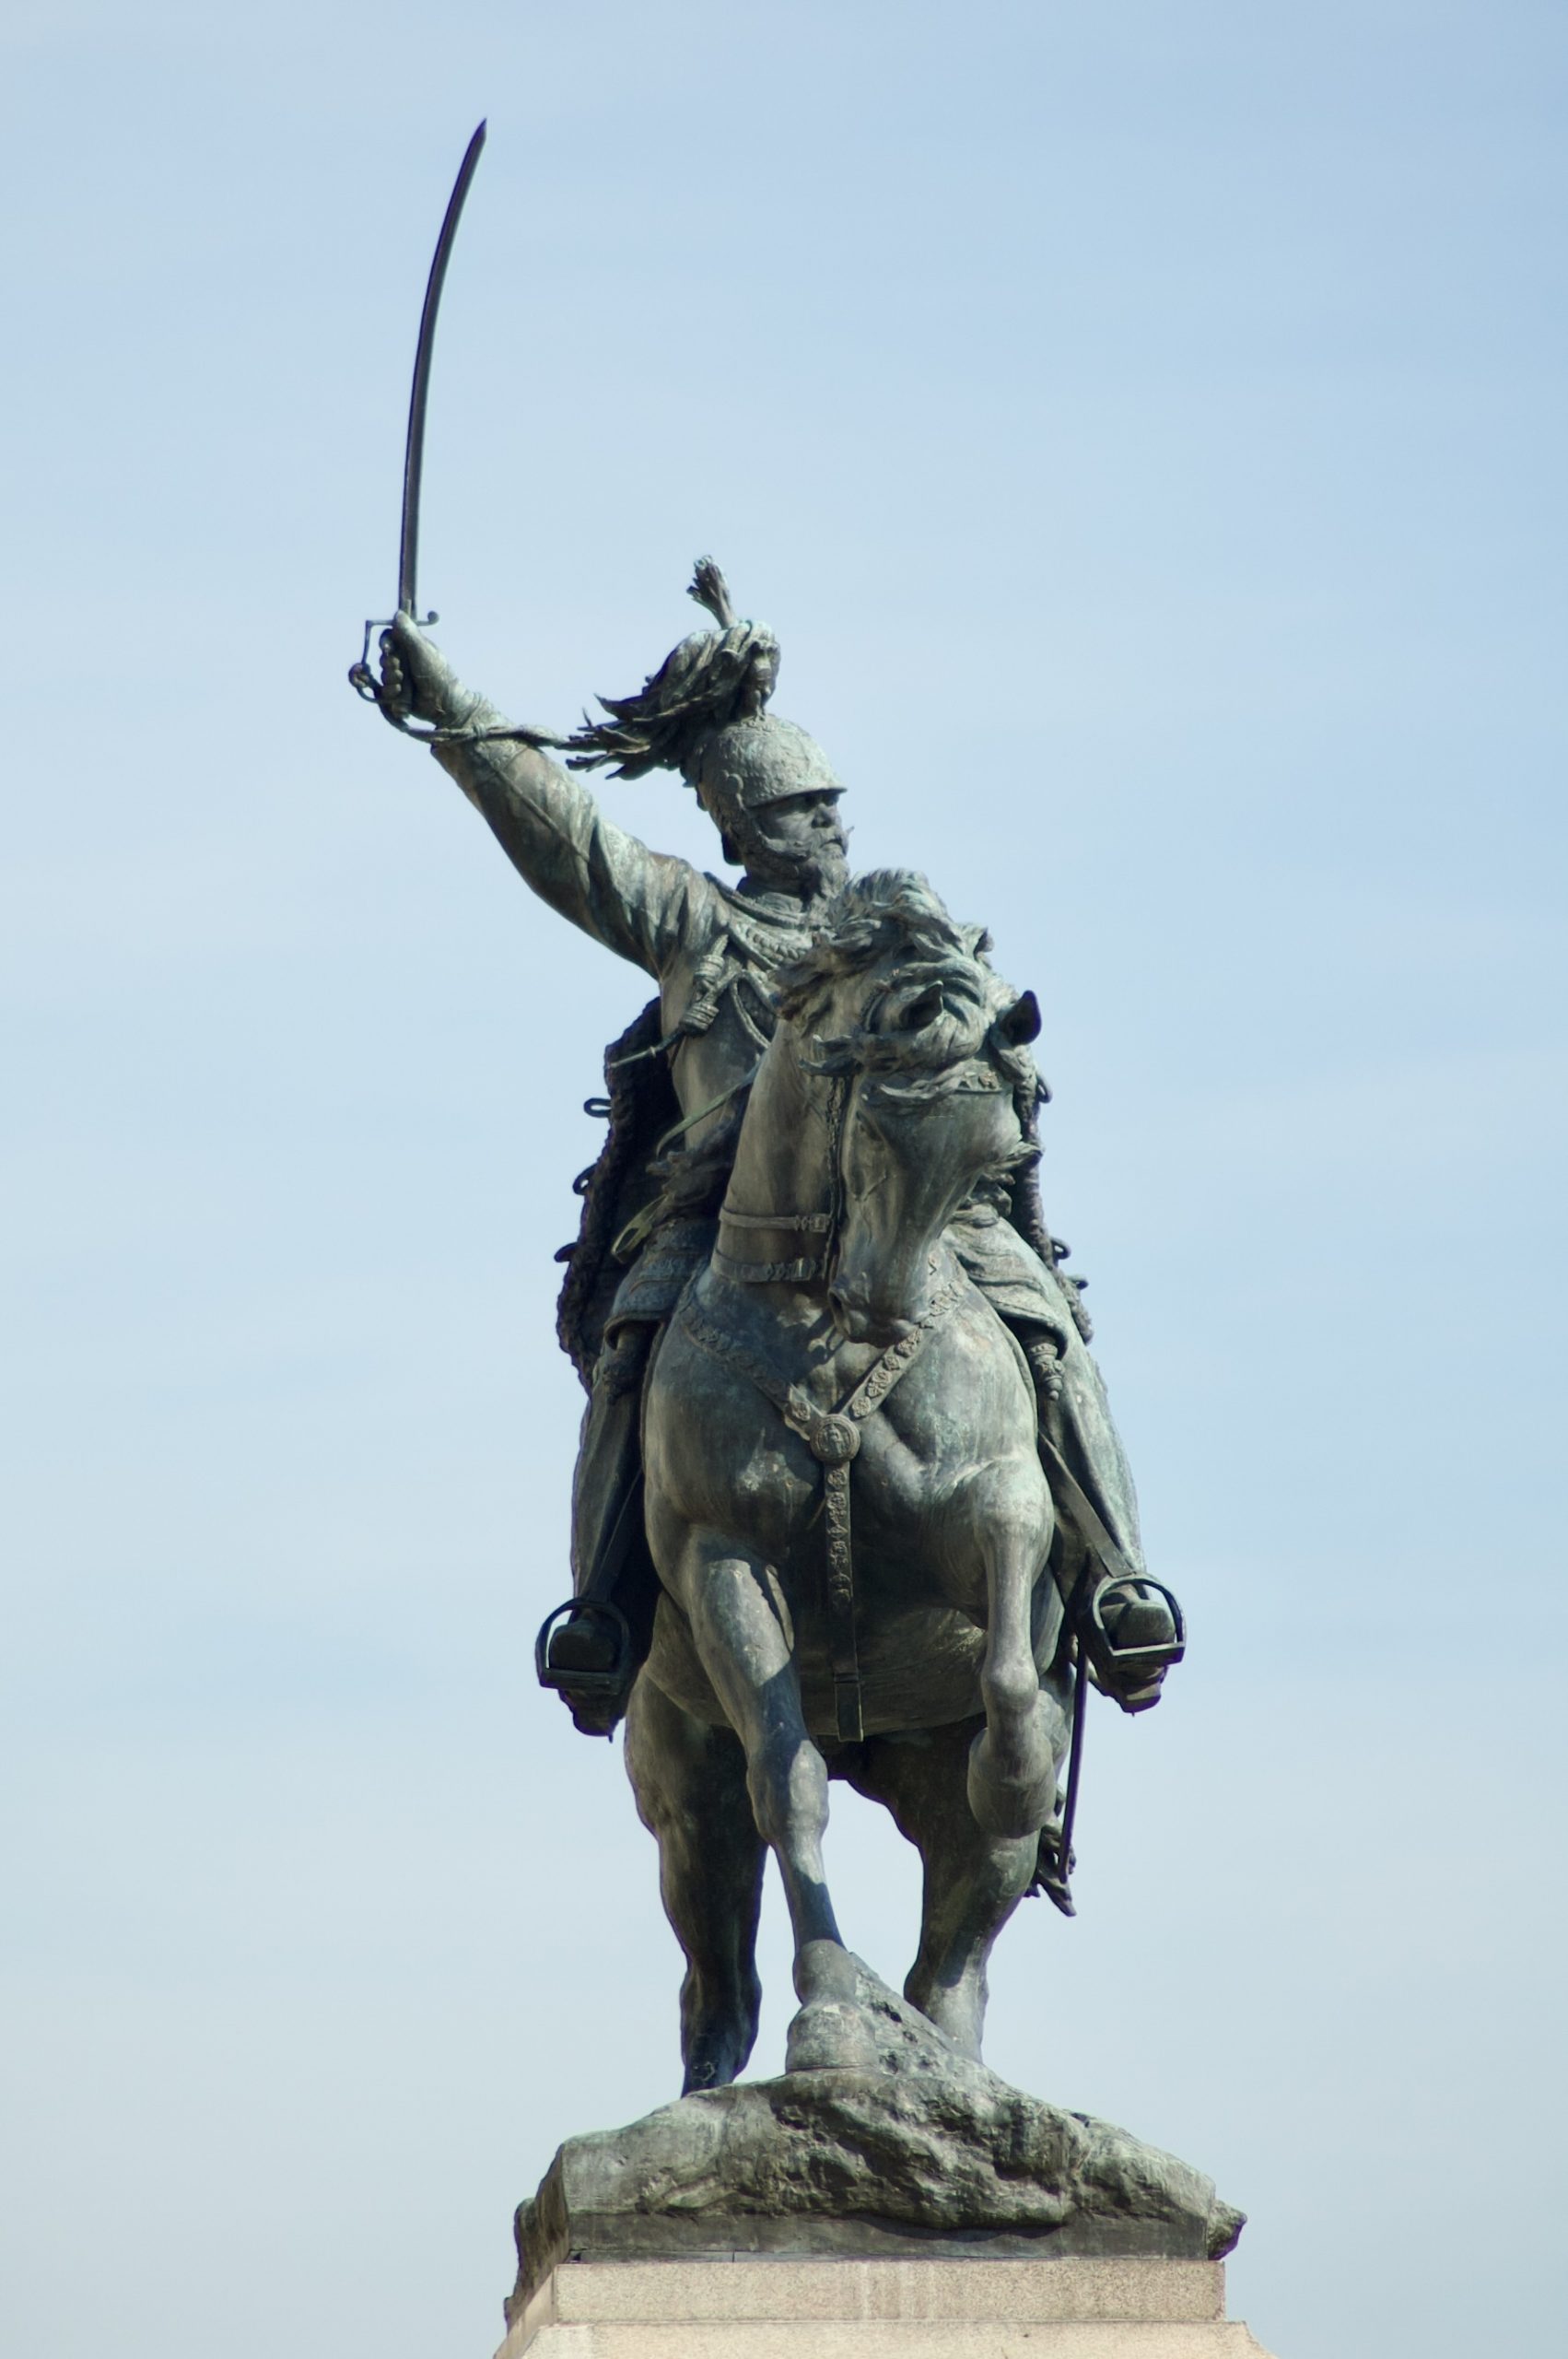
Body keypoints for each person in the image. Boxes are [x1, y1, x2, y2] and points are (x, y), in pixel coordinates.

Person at [369, 563, 1176, 1750]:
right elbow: (567, 834)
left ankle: (1115, 1578)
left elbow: (987, 1021)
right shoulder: (695, 921)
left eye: (836, 805)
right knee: (635, 1344)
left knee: (1045, 1328)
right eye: (803, 811)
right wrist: (452, 711)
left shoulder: (902, 930)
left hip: (917, 1211)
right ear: (744, 824)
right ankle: (605, 1607)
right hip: (726, 1226)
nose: (831, 827)